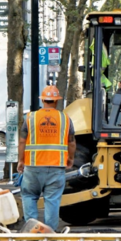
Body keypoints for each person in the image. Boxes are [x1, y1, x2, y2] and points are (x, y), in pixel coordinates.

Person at [17, 86, 76, 231]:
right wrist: (70, 158)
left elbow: (22, 141)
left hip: (33, 167)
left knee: (29, 197)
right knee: (52, 201)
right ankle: (49, 236)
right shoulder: (65, 119)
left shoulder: (30, 118)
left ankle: (32, 232)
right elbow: (72, 142)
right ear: (56, 101)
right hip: (56, 168)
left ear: (43, 100)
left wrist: (21, 160)